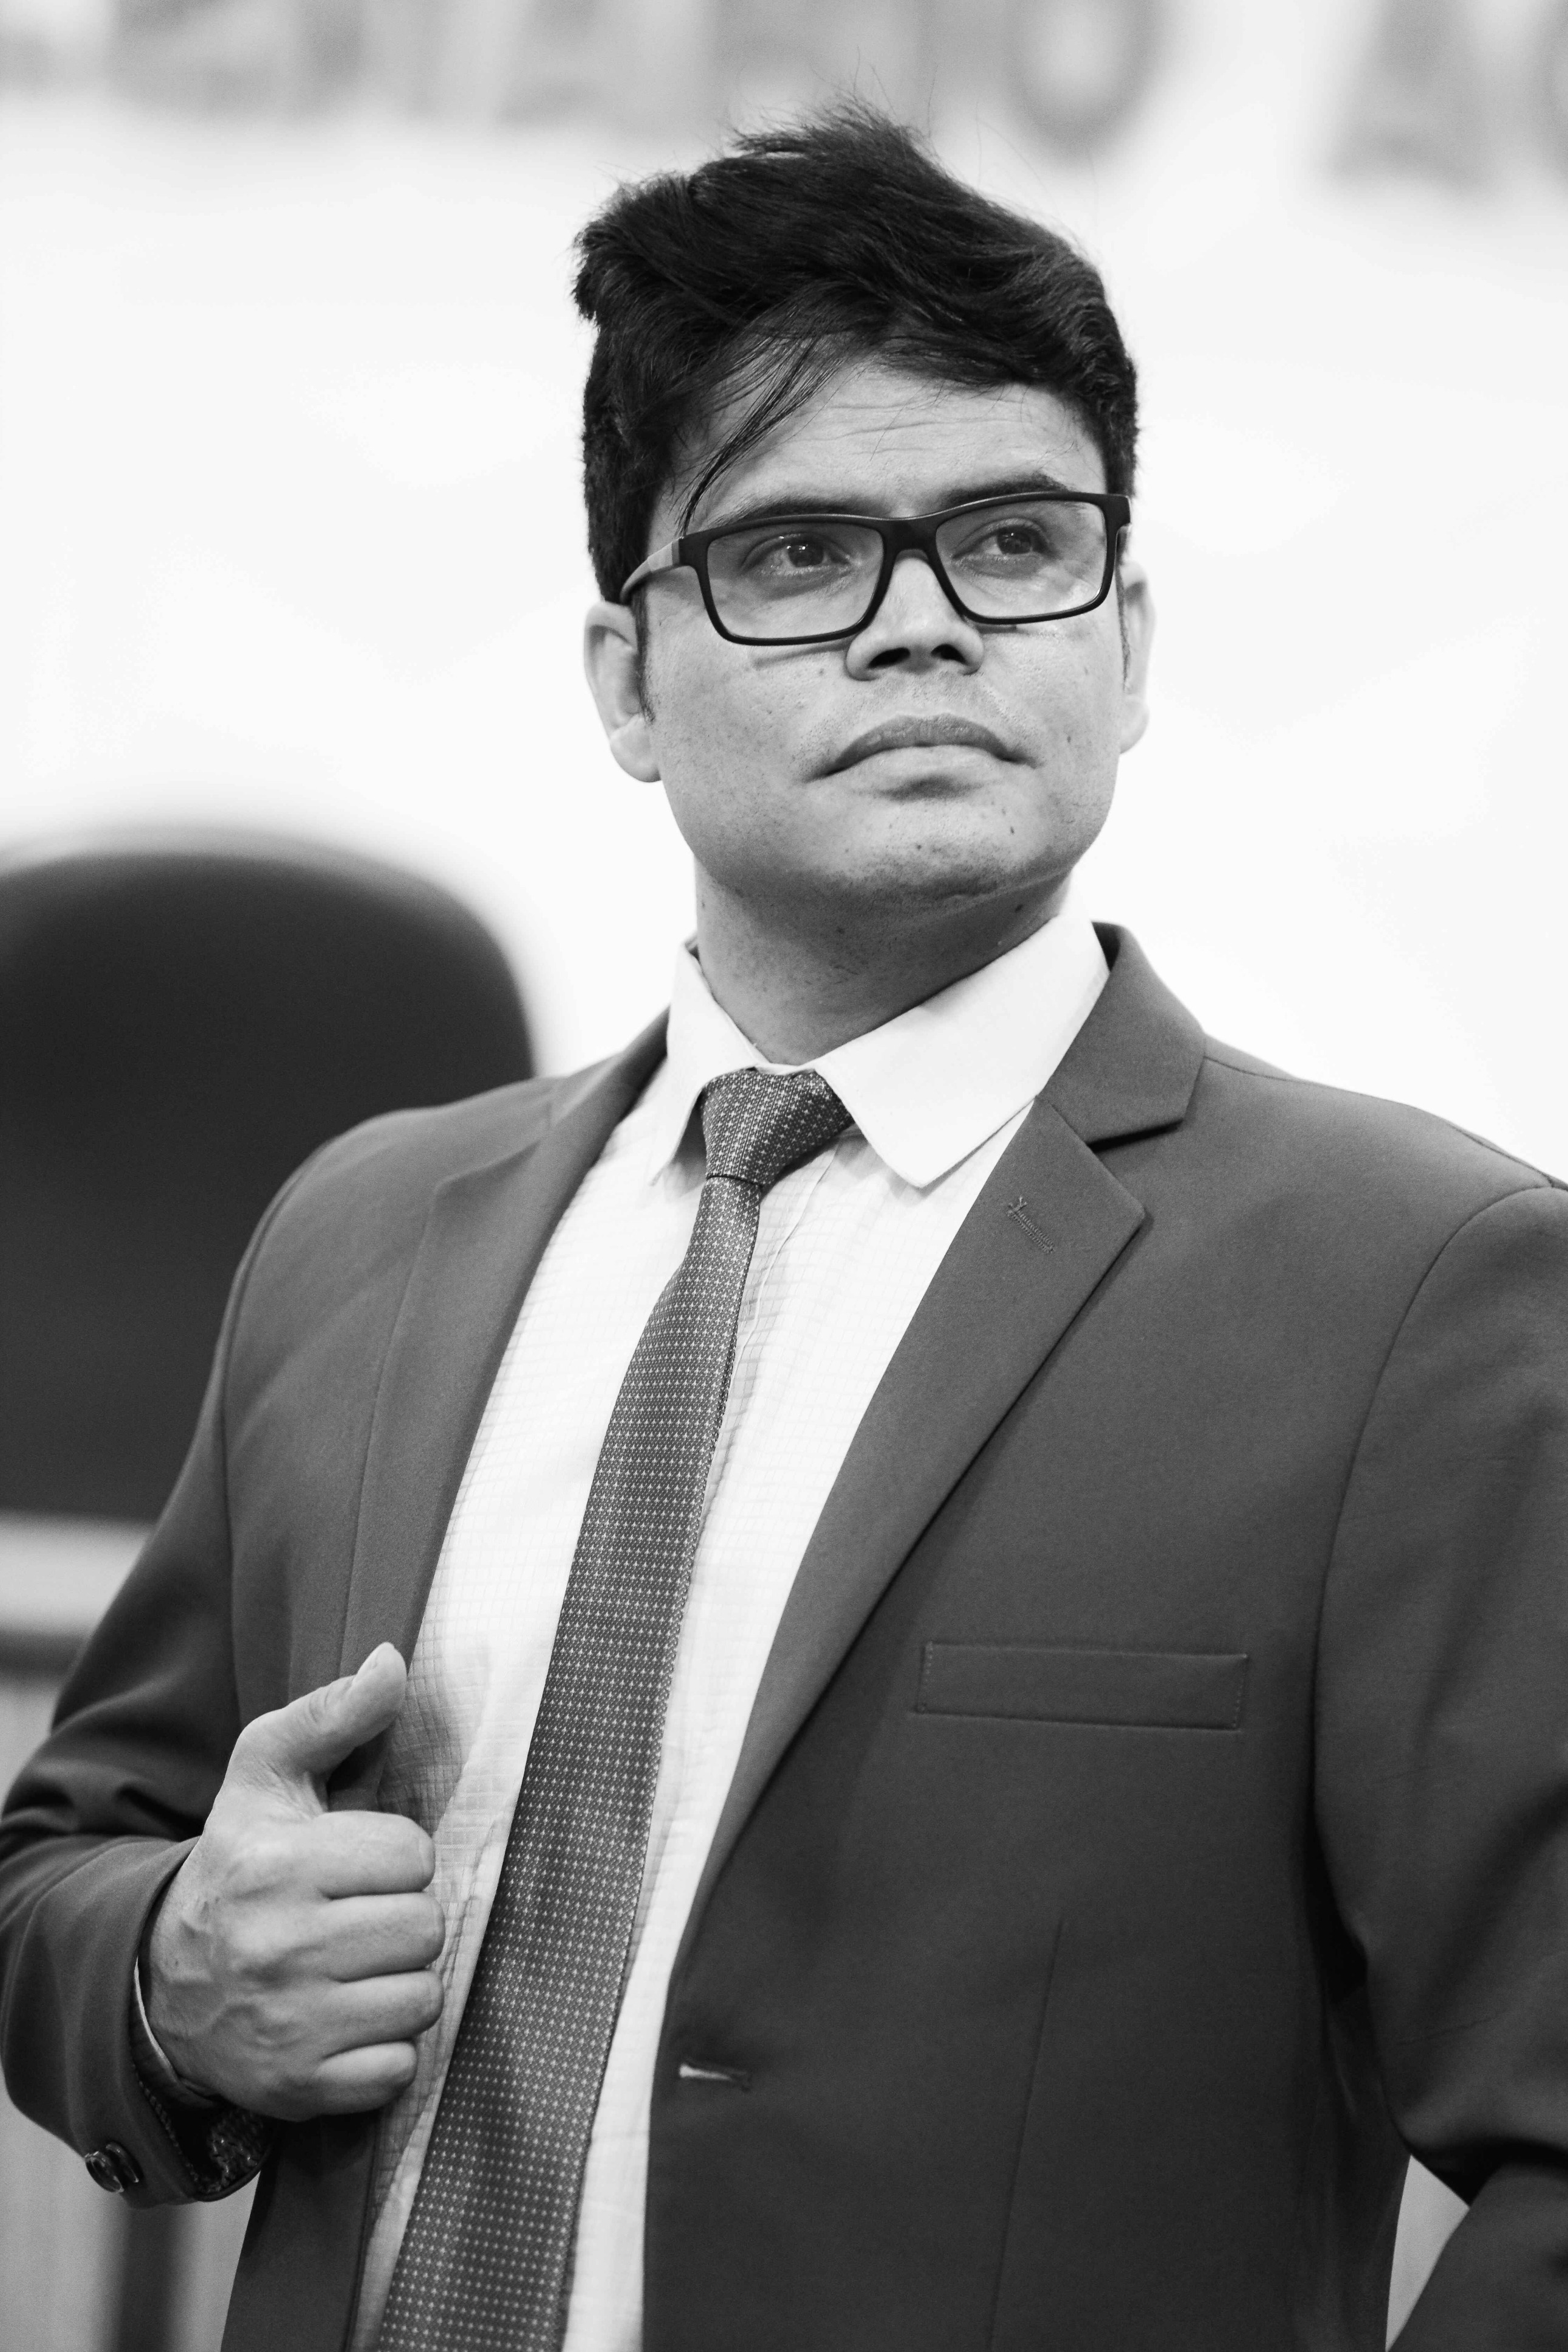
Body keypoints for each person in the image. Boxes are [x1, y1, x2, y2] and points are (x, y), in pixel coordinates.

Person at [2, 105, 1566, 2352]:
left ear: (1127, 644)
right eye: (802, 554)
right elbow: (62, 1862)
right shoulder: (364, 1234)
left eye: (1015, 542)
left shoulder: (1423, 1290)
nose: (926, 622)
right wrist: (168, 1973)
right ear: (627, 681)